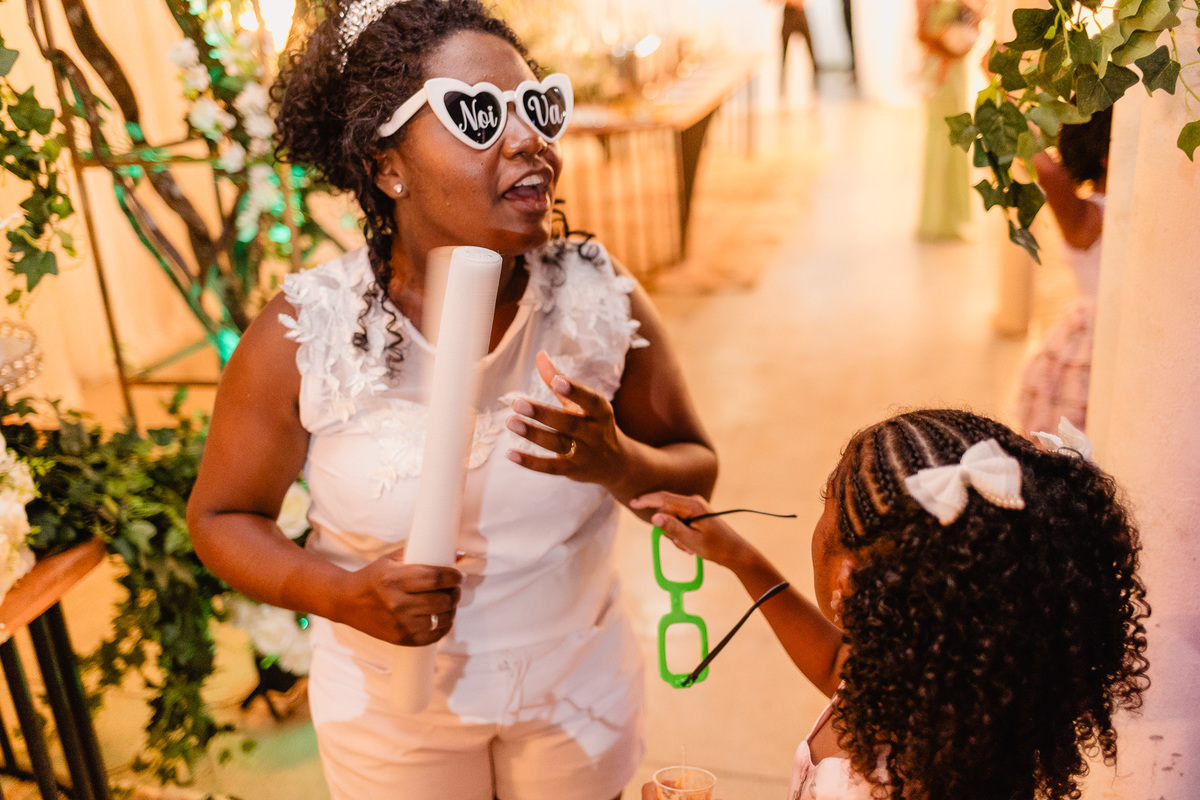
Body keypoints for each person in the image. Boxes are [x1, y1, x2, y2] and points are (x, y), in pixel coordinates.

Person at [186, 2, 718, 799]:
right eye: (477, 115)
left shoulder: (599, 301)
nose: (528, 140)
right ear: (385, 165)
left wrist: (620, 464)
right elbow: (222, 517)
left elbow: (695, 471)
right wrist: (340, 594)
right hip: (391, 718)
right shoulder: (306, 331)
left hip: (575, 694)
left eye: (538, 107)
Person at [634, 408, 1149, 800]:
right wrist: (742, 558)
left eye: (828, 499)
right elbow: (840, 666)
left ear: (848, 576)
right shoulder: (942, 696)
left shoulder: (871, 784)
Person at [1015, 108, 1112, 435]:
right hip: (1094, 341)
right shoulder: (1088, 217)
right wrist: (1006, 105)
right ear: (1105, 156)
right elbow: (1048, 170)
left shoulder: (1135, 208)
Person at [915, 0, 983, 240]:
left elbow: (975, 24)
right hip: (940, 71)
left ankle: (956, 218)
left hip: (957, 71)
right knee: (941, 139)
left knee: (957, 142)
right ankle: (936, 219)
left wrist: (966, 40)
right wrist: (949, 50)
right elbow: (921, 33)